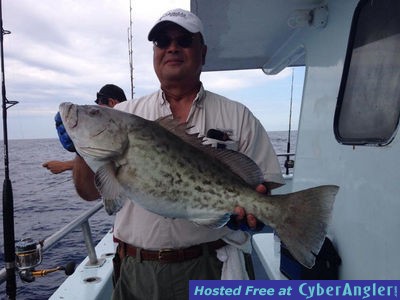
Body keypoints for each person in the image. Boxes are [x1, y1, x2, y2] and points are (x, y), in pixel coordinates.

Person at [61, 9, 285, 300]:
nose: (172, 47)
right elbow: (89, 192)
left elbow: (263, 186)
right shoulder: (125, 113)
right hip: (137, 270)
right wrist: (80, 149)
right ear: (154, 53)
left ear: (202, 52)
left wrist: (257, 210)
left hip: (213, 266)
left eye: (184, 40)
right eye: (162, 41)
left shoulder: (238, 116)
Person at [43, 84, 127, 174]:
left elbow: (116, 162)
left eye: (95, 113)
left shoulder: (122, 132)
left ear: (111, 102)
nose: (98, 108)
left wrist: (65, 165)